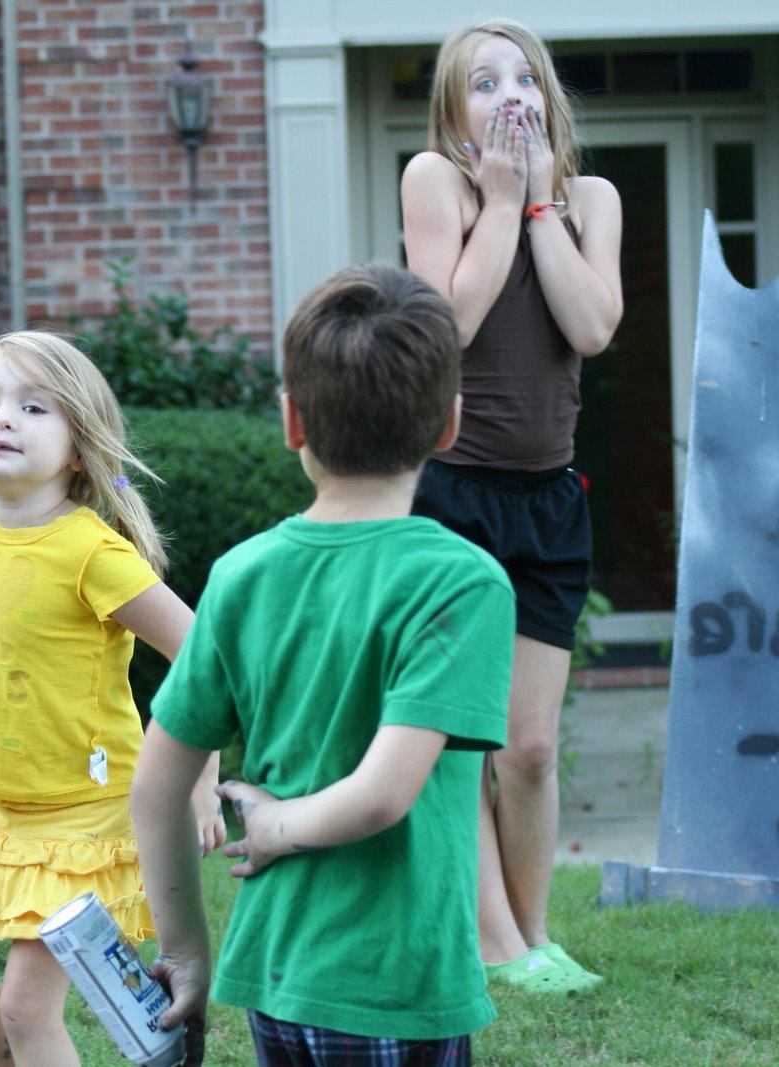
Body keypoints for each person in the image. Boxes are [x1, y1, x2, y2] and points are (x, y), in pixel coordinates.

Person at [132, 263, 515, 1064]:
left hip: (278, 974)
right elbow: (382, 796)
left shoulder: (243, 573)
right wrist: (277, 825)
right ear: (450, 423)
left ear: (291, 421)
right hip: (395, 982)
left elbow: (158, 784)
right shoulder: (463, 583)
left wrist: (191, 953)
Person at [0, 330, 224, 1066]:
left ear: (78, 447)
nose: (3, 418)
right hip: (7, 809)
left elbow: (206, 657)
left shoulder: (91, 552)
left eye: (33, 407)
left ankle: (133, 1034)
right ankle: (112, 1044)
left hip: (89, 815)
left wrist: (201, 776)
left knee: (24, 1005)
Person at [400, 16, 623, 993]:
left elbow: (591, 323)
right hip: (453, 494)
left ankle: (533, 934)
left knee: (527, 747)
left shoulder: (592, 198)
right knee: (461, 735)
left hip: (549, 501)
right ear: (455, 113)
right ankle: (493, 943)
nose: (509, 97)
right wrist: (494, 200)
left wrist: (536, 207)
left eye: (522, 79)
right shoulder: (432, 181)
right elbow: (444, 323)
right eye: (484, 84)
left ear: (549, 99)